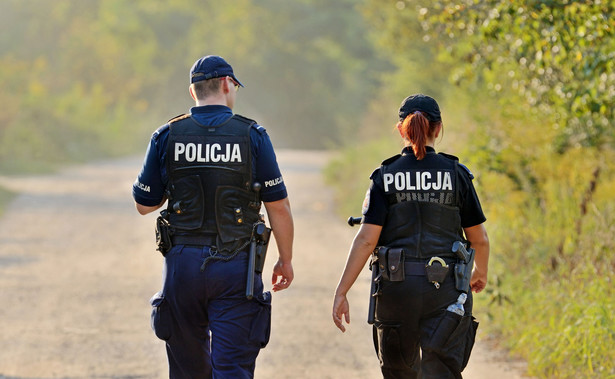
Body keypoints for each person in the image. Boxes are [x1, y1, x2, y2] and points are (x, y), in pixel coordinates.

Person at [132, 55, 294, 379]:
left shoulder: (166, 135)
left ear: (193, 92)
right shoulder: (253, 135)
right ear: (226, 84)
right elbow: (278, 207)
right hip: (237, 267)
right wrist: (285, 260)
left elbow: (144, 203)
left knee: (187, 371)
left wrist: (178, 181)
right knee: (232, 368)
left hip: (181, 267)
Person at [332, 94, 489, 378]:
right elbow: (479, 239)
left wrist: (341, 291)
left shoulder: (385, 175)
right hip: (446, 292)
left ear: (401, 129)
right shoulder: (457, 175)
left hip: (395, 290)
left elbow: (367, 240)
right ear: (438, 129)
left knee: (399, 374)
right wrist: (480, 272)